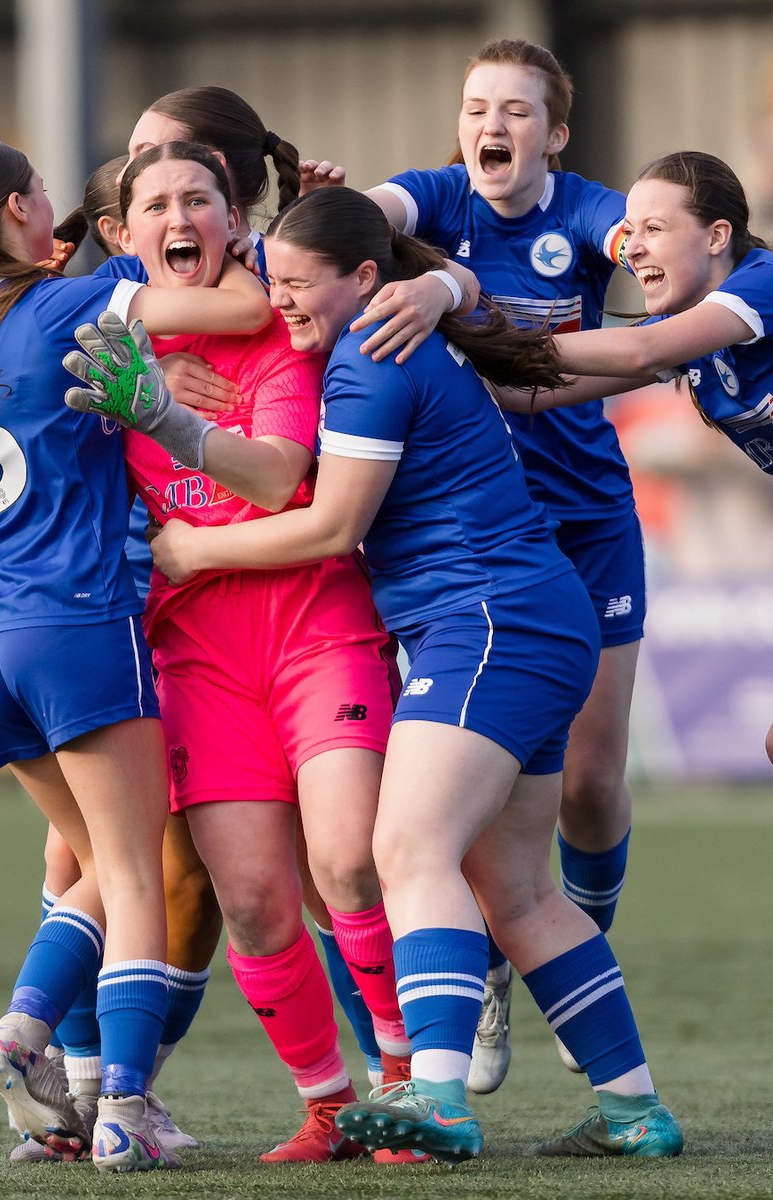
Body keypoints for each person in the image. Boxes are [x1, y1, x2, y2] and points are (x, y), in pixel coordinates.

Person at [146, 185, 683, 1165]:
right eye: (275, 283)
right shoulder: (389, 336)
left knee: (406, 848)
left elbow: (333, 526)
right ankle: (634, 1108)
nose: (283, 303)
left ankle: (435, 1093)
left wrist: (193, 554)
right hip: (527, 617)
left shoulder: (369, 360)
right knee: (514, 890)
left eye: (301, 286)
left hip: (486, 624)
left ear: (363, 279)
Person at [0, 138, 271, 1175]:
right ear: (26, 208)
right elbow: (245, 308)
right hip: (75, 621)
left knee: (96, 873)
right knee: (133, 872)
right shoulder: (75, 302)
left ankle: (25, 1039)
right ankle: (118, 1105)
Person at [64, 140, 432, 1166]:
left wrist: (168, 419)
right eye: (157, 205)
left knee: (350, 860)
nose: (181, 217)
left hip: (318, 628)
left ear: (237, 224)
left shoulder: (283, 327)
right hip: (196, 660)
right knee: (257, 903)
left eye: (202, 200)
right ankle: (327, 1104)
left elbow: (276, 478)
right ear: (122, 239)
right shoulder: (95, 343)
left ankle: (405, 1091)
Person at [301, 37, 645, 1091]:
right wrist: (332, 209)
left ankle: (479, 1036)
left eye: (519, 111)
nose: (493, 125)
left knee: (583, 786)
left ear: (555, 133)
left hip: (564, 532)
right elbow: (377, 222)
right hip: (489, 546)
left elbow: (637, 245)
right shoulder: (433, 200)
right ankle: (528, 991)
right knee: (486, 857)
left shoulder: (579, 212)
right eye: (476, 106)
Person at [493, 150, 773, 763]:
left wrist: (498, 340)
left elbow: (639, 351)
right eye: (630, 230)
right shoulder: (694, 327)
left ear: (717, 236)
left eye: (654, 229)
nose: (633, 247)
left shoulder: (761, 284)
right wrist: (446, 353)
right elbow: (533, 394)